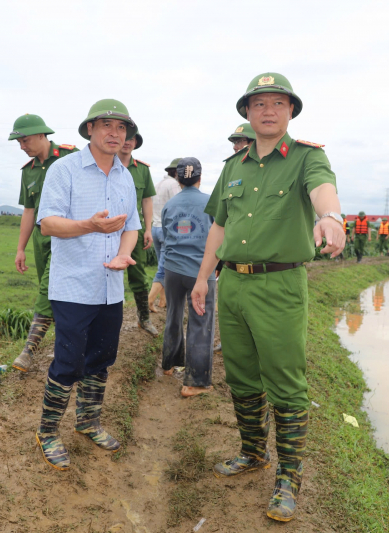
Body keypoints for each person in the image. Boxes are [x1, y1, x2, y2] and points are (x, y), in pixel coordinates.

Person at [191, 72, 345, 522]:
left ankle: (289, 477)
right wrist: (204, 279)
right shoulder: (232, 167)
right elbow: (219, 226)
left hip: (279, 286)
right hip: (233, 283)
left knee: (284, 381)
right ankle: (253, 452)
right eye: (260, 104)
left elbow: (322, 190)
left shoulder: (306, 157)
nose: (269, 110)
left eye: (278, 103)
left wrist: (331, 216)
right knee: (240, 375)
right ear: (247, 113)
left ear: (291, 111)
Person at [34, 99, 141, 471]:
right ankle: (47, 431)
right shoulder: (65, 170)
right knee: (68, 360)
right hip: (74, 285)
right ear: (90, 130)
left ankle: (88, 421)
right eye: (107, 126)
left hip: (111, 285)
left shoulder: (125, 175)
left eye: (122, 128)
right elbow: (48, 223)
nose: (115, 134)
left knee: (101, 357)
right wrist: (89, 226)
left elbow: (132, 227)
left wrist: (124, 254)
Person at [8, 114, 78, 372]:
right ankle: (67, 343)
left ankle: (28, 350)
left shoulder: (71, 157)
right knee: (54, 292)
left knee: (47, 290)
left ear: (41, 135)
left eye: (25, 140)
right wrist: (20, 248)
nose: (22, 146)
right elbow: (28, 210)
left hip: (68, 235)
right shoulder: (29, 171)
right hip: (41, 238)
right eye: (18, 142)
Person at [160, 157, 215, 398]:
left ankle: (170, 364)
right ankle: (195, 381)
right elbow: (219, 236)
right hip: (200, 272)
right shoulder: (210, 203)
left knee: (173, 314)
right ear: (200, 179)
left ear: (178, 179)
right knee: (201, 322)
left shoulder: (170, 205)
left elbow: (165, 234)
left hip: (172, 270)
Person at [117, 132, 158, 335]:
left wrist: (148, 228)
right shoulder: (106, 164)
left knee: (138, 273)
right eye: (125, 137)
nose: (127, 142)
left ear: (135, 143)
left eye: (132, 139)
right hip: (107, 228)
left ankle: (144, 317)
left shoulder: (141, 170)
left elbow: (147, 200)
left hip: (134, 229)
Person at [149, 157, 182, 312]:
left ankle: (163, 300)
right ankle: (149, 301)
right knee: (163, 269)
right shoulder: (174, 185)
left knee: (162, 267)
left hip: (155, 228)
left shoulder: (159, 184)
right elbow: (179, 205)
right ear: (176, 172)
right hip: (167, 230)